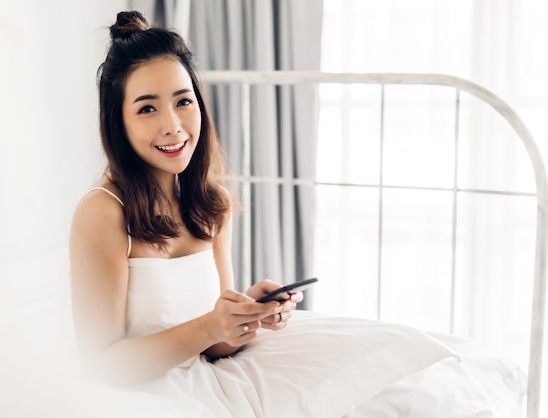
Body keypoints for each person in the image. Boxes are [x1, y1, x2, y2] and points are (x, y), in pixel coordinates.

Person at [69, 11, 453, 418]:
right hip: (138, 397)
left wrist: (247, 315)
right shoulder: (103, 212)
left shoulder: (210, 203)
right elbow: (102, 363)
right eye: (147, 109)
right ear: (119, 123)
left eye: (184, 101)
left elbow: (216, 346)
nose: (173, 125)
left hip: (204, 378)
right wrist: (210, 327)